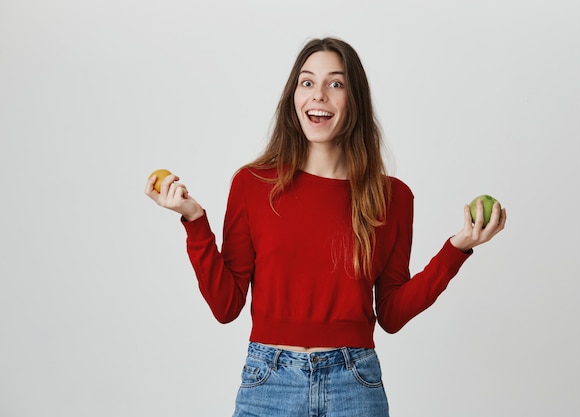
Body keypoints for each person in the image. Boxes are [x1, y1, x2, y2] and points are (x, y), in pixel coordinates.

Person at [145, 37, 506, 417]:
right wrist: (194, 219)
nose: (318, 95)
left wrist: (458, 248)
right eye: (307, 82)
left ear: (354, 100)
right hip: (269, 383)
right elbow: (226, 305)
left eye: (335, 84)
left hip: (355, 385)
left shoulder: (393, 197)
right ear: (293, 97)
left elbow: (393, 313)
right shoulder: (252, 184)